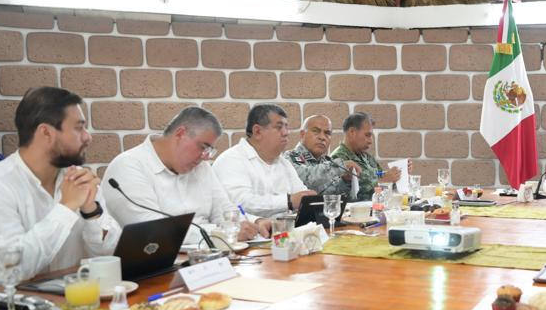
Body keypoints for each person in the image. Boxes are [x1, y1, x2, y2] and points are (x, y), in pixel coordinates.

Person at [0, 86, 121, 288]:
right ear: (46, 132)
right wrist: (66, 208)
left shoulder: (77, 178)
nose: (88, 137)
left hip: (74, 304)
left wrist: (91, 211)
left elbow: (110, 256)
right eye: (78, 128)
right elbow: (13, 268)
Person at [103, 107, 271, 243]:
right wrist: (224, 233)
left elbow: (225, 210)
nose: (206, 156)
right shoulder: (130, 166)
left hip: (210, 259)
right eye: (203, 147)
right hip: (153, 268)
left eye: (210, 150)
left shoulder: (200, 167)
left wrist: (252, 222)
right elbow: (154, 231)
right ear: (180, 134)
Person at [212, 104, 316, 217]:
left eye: (287, 127)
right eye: (279, 127)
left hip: (285, 232)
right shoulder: (231, 160)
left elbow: (302, 198)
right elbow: (240, 203)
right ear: (257, 131)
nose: (286, 133)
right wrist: (288, 201)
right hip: (247, 232)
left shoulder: (284, 164)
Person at [285, 115, 362, 199]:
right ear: (302, 134)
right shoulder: (289, 158)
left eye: (327, 133)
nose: (322, 137)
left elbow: (333, 195)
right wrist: (340, 166)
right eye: (316, 131)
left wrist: (346, 181)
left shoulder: (327, 162)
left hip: (327, 211)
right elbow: (305, 179)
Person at [331, 112, 402, 201]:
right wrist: (383, 182)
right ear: (352, 132)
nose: (370, 141)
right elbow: (350, 193)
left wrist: (396, 174)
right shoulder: (338, 159)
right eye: (367, 135)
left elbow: (377, 173)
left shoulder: (365, 156)